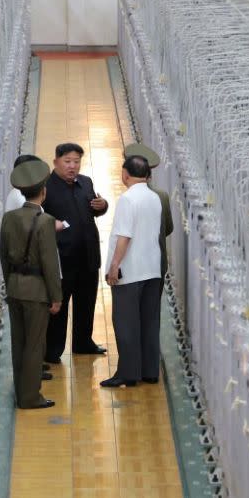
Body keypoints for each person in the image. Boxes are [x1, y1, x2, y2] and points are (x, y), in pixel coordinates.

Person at [0, 160, 62, 409]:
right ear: (43, 192)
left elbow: (4, 257)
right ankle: (30, 396)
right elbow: (49, 262)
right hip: (37, 292)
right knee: (35, 346)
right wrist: (55, 296)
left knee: (19, 343)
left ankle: (20, 391)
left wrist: (10, 282)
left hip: (15, 287)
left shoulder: (9, 218)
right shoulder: (45, 221)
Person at [41, 143, 109, 363]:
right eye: (67, 161)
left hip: (87, 256)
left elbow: (93, 210)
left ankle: (83, 342)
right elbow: (38, 218)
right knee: (58, 307)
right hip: (62, 258)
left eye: (76, 161)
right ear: (56, 162)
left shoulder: (85, 182)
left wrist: (102, 206)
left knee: (86, 302)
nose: (72, 166)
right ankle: (53, 350)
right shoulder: (46, 188)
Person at [101, 155, 163, 388]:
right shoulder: (154, 197)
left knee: (126, 323)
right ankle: (149, 371)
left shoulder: (127, 199)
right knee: (149, 321)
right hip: (152, 268)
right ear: (147, 174)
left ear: (125, 174)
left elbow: (124, 236)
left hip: (131, 270)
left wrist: (114, 266)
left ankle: (128, 373)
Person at [123, 143, 174, 279]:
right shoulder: (162, 196)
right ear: (149, 174)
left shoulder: (127, 199)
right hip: (156, 265)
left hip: (133, 268)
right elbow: (168, 229)